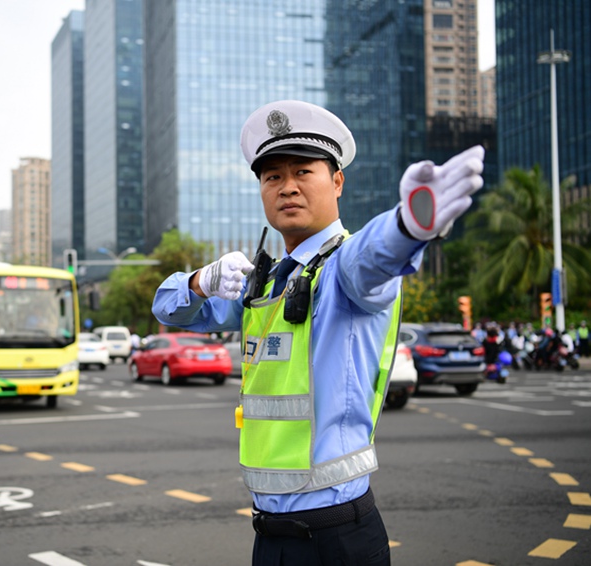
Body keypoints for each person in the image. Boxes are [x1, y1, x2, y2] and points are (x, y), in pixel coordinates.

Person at [151, 99, 485, 565]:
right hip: (269, 536)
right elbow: (168, 309)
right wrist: (199, 281)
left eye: (303, 172)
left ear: (337, 181)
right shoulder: (260, 285)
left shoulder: (341, 271)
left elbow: (374, 255)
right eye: (273, 177)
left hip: (336, 538)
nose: (287, 187)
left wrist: (408, 225)